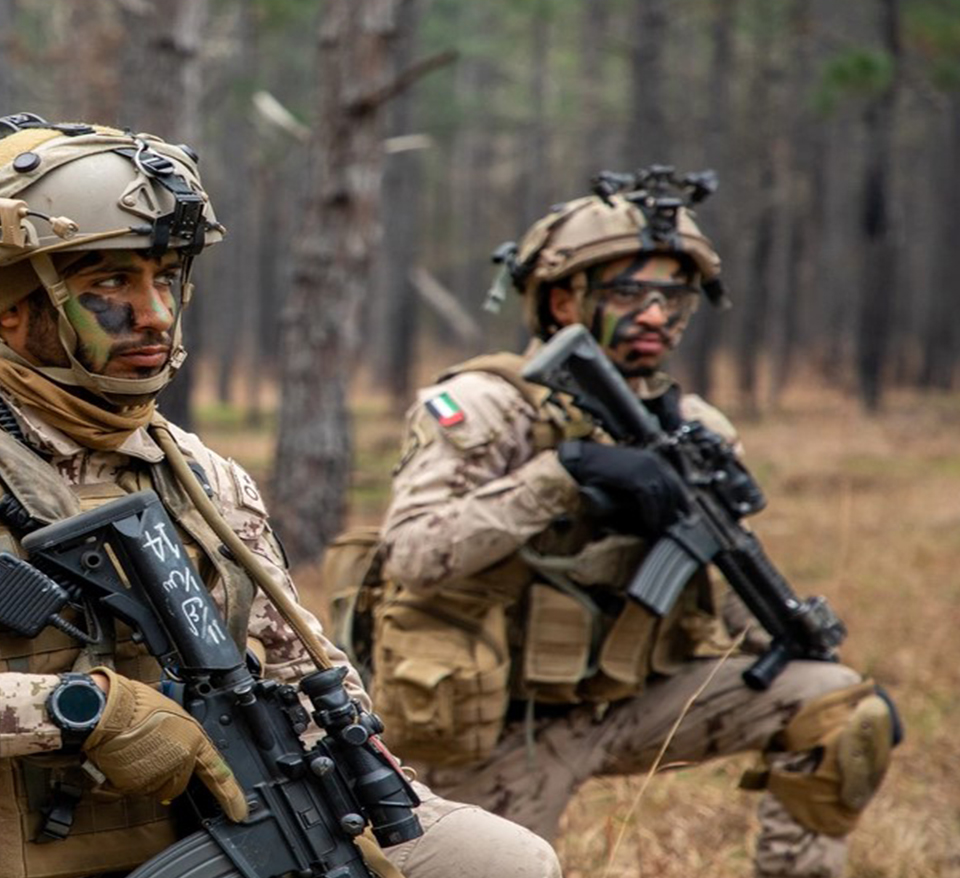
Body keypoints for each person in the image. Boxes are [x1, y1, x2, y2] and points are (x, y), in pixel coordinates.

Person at [0, 115, 560, 878]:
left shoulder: (192, 470)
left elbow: (299, 669)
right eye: (110, 285)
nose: (155, 315)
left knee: (501, 864)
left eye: (166, 278)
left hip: (179, 832)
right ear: (8, 306)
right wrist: (81, 710)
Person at [370, 168, 898, 877]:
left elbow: (735, 574)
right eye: (627, 294)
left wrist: (822, 670)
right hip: (496, 728)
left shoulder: (696, 430)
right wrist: (564, 474)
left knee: (840, 710)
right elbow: (411, 552)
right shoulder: (488, 406)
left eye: (673, 298)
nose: (655, 316)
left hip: (632, 702)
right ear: (562, 300)